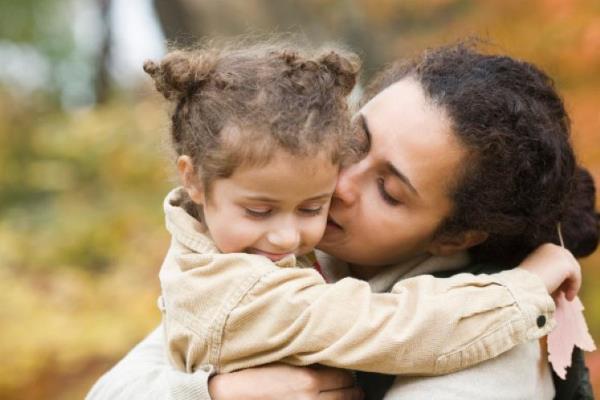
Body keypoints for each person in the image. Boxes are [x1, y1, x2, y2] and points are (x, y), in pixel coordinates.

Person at [86, 42, 598, 400]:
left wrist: (527, 288)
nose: (341, 184)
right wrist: (213, 394)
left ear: (454, 237)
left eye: (389, 191)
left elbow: (404, 325)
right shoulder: (290, 255)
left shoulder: (490, 345)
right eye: (354, 141)